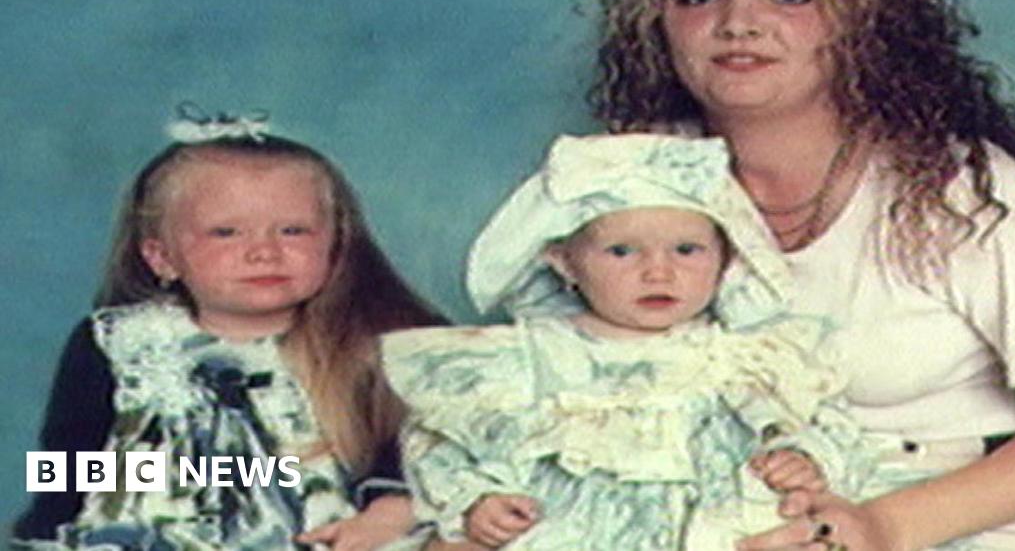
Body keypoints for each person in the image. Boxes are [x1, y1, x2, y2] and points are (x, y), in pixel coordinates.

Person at [588, 0, 1015, 549]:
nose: (738, 23)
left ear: (856, 15)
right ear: (657, 19)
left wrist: (883, 526)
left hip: (961, 519)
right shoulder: (628, 176)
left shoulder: (961, 189)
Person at [381, 134, 871, 550]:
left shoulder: (742, 356)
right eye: (621, 251)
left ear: (726, 260)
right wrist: (475, 499)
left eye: (687, 250)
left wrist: (804, 457)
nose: (658, 271)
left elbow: (829, 423)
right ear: (564, 262)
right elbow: (439, 441)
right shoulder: (528, 355)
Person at [12, 110, 439, 550]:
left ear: (336, 243)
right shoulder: (119, 344)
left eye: (293, 230)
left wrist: (390, 511)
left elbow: (425, 454)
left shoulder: (367, 344)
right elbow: (65, 465)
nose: (264, 252)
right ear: (161, 257)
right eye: (226, 233)